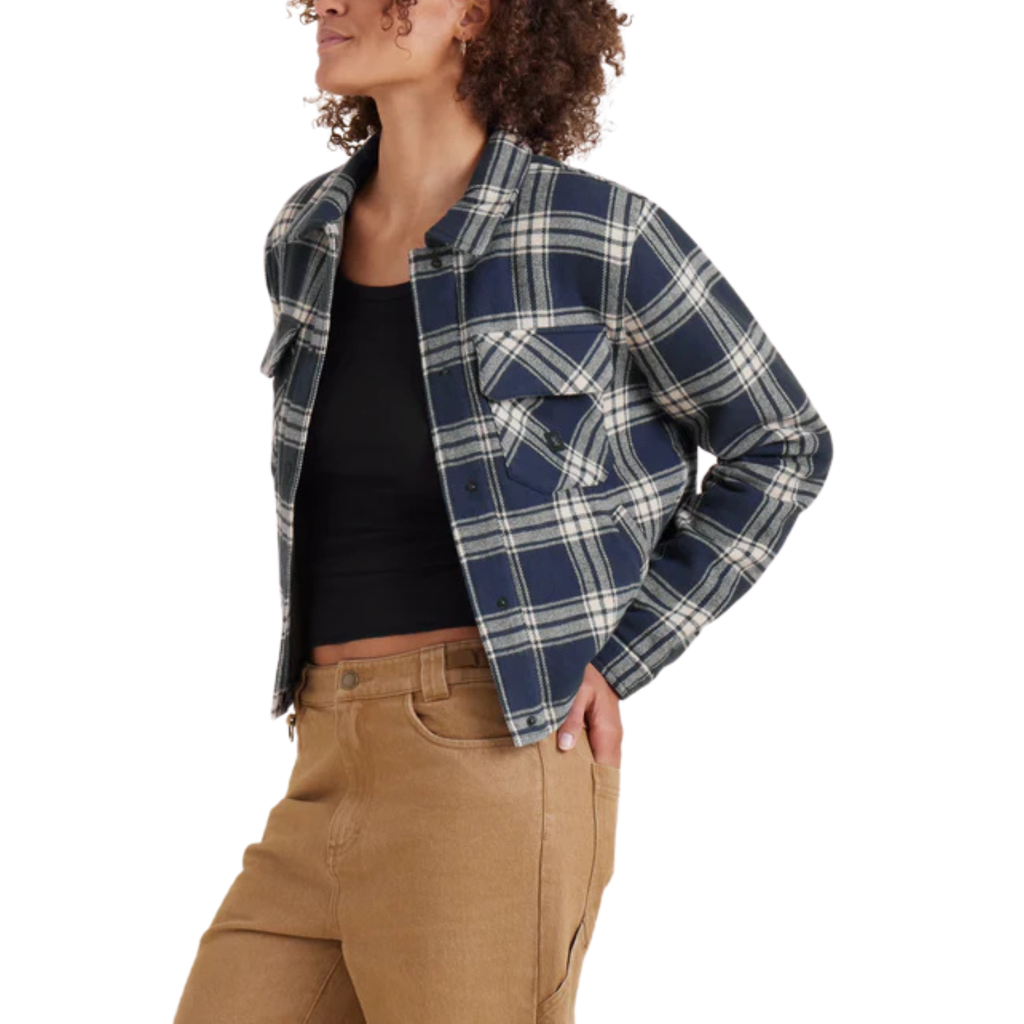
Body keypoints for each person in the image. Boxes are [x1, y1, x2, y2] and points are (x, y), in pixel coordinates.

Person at [174, 1, 833, 1020]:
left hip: (488, 757)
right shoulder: (305, 234)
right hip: (324, 750)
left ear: (479, 15)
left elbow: (781, 439)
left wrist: (620, 656)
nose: (325, 2)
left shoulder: (599, 234)